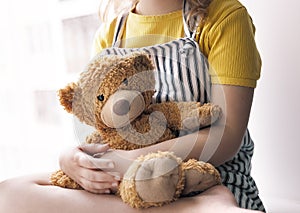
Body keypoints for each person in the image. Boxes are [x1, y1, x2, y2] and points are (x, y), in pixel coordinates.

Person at [0, 0, 265, 212]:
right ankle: (192, 209)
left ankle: (199, 202)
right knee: (10, 192)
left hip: (205, 179)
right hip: (124, 184)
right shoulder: (110, 33)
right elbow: (100, 130)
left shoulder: (225, 17)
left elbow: (226, 137)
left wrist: (126, 161)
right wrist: (72, 160)